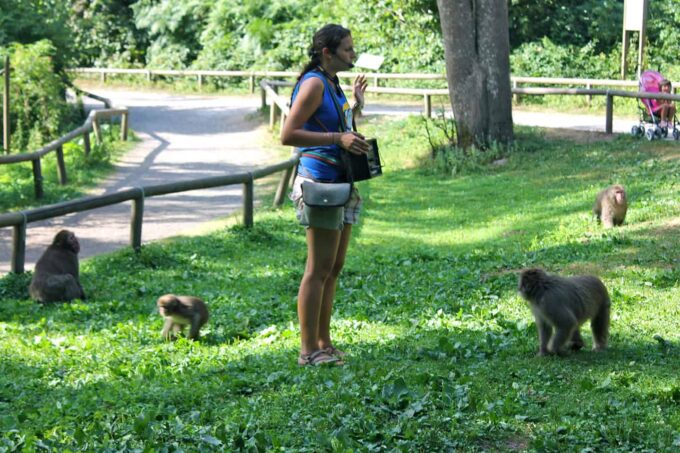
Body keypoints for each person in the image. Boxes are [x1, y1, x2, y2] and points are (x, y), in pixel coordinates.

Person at [281, 24, 369, 366]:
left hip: (341, 182)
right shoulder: (315, 83)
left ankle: (324, 343)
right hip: (319, 185)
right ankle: (308, 351)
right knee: (317, 269)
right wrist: (337, 139)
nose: (353, 55)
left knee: (334, 267)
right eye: (347, 49)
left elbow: (342, 129)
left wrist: (356, 108)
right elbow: (289, 134)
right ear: (327, 53)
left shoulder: (332, 83)